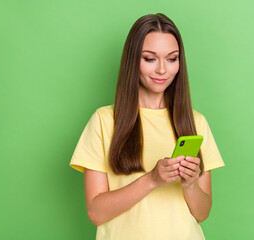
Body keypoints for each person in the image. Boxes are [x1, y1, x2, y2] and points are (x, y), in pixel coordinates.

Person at [69, 13, 225, 240]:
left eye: (172, 59)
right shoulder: (104, 121)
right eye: (150, 59)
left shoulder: (196, 122)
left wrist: (190, 185)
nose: (162, 70)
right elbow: (96, 212)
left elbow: (202, 213)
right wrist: (152, 180)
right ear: (133, 61)